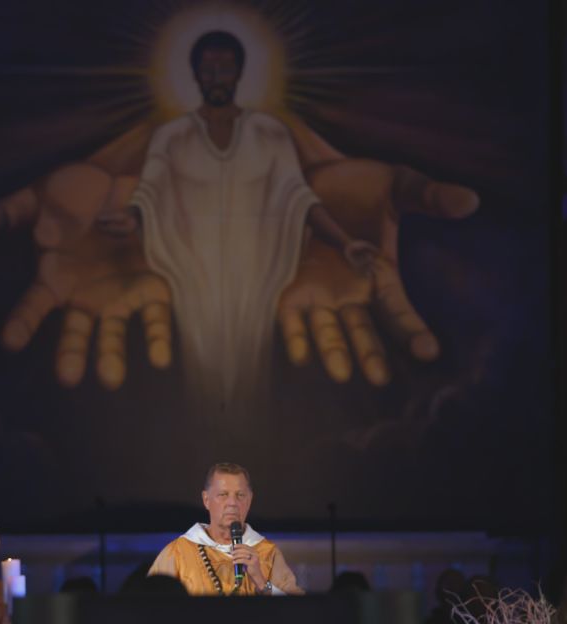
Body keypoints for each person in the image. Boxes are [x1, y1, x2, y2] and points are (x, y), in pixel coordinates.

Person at [94, 30, 378, 409]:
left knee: (253, 377)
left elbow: (298, 197)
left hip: (255, 282)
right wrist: (131, 218)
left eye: (224, 68)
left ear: (239, 72)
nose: (215, 78)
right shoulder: (172, 137)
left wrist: (345, 243)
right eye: (207, 69)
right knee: (196, 377)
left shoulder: (270, 134)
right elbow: (150, 191)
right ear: (194, 74)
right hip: (193, 281)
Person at [148, 462, 302, 596]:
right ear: (206, 500)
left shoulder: (268, 553)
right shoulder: (178, 553)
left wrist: (261, 582)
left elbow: (299, 612)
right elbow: (149, 608)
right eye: (223, 494)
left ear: (250, 500)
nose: (232, 503)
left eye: (240, 495)